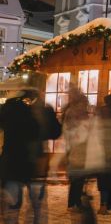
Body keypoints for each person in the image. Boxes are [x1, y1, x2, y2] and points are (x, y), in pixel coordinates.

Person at [0, 87, 61, 223]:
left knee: (12, 207)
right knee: (37, 209)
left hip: (13, 165)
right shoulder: (43, 112)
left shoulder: (11, 110)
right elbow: (56, 132)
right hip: (35, 165)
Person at [64, 86, 91, 211]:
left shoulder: (74, 111)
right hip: (77, 147)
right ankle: (74, 202)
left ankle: (75, 201)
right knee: (77, 177)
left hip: (78, 147)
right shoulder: (76, 112)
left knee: (78, 177)